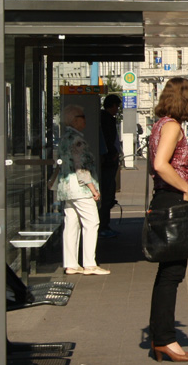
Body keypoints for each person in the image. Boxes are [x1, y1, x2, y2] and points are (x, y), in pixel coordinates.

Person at [148, 77, 188, 363]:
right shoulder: (172, 127)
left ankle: (160, 337)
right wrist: (185, 188)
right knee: (171, 275)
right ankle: (166, 340)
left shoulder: (158, 126)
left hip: (163, 199)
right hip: (173, 202)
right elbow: (159, 166)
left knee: (167, 273)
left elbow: (151, 169)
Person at [55, 105, 110, 276]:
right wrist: (92, 188)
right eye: (83, 116)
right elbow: (80, 166)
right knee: (91, 222)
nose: (85, 120)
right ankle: (89, 263)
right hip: (80, 189)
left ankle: (71, 264)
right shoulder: (77, 140)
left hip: (66, 188)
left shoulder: (64, 138)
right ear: (75, 120)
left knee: (71, 224)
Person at [98, 94, 122, 238]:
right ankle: (103, 226)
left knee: (108, 192)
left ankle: (104, 225)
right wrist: (112, 153)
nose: (117, 110)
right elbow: (108, 139)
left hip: (108, 161)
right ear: (112, 105)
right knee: (107, 193)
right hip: (108, 162)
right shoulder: (106, 119)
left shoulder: (104, 118)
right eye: (116, 107)